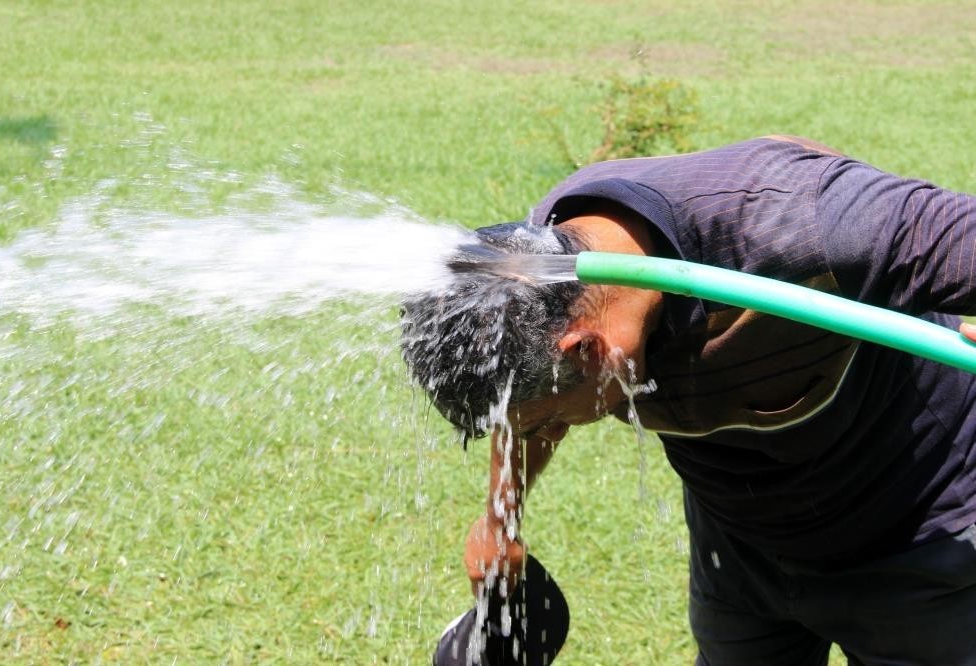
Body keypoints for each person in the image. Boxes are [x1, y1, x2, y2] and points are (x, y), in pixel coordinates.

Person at [401, 135, 976, 664]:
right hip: (738, 548)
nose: (546, 431)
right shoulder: (540, 268)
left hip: (914, 535)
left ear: (587, 351)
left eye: (551, 419)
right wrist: (501, 519)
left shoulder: (805, 221)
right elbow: (523, 408)